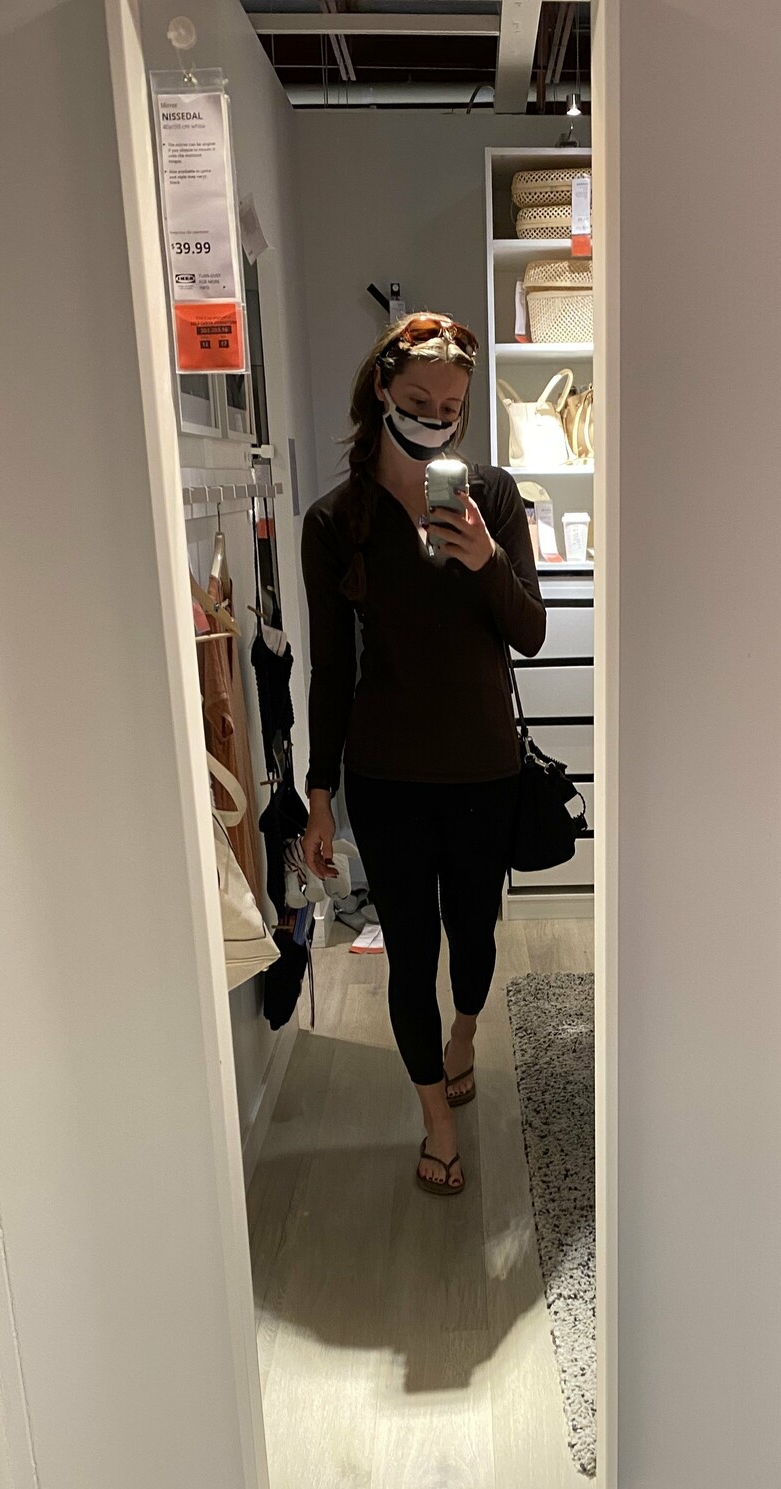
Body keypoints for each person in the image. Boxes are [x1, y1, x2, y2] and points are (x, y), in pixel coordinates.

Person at [299, 313, 546, 1196]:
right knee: (411, 951)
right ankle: (436, 1119)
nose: (435, 419)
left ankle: (465, 1034)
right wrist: (318, 795)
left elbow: (531, 633)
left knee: (474, 937)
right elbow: (332, 668)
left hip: (485, 768)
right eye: (418, 401)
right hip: (386, 776)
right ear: (381, 390)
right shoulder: (337, 521)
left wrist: (486, 559)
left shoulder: (494, 497)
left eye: (451, 408)